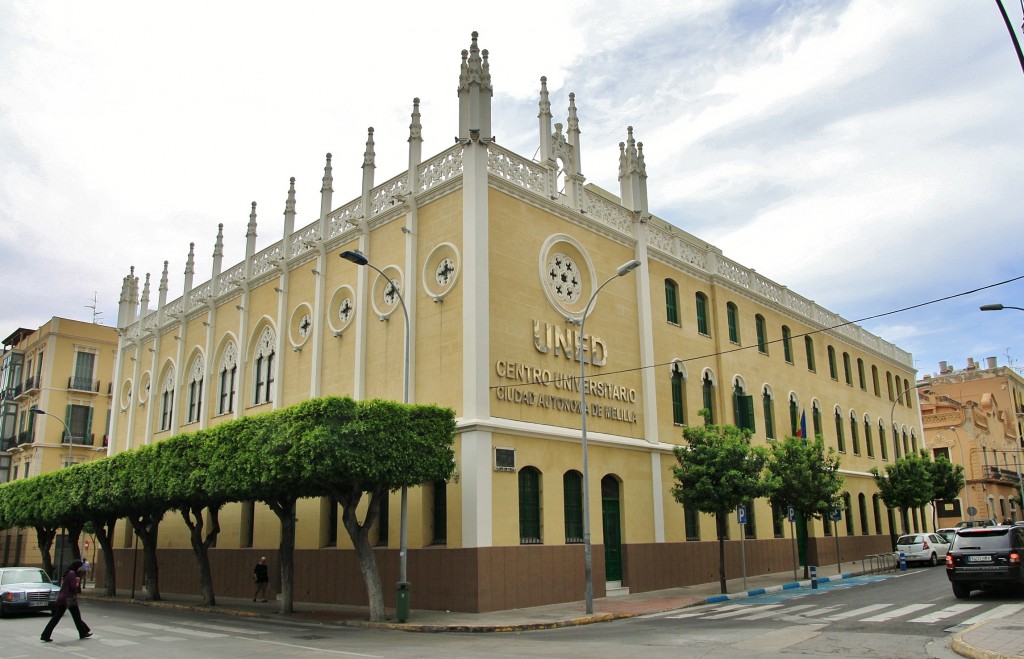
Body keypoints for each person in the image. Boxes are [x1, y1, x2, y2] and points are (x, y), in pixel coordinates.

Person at [41, 559, 92, 642]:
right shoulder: (72, 574)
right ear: (77, 566)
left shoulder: (67, 573)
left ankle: (45, 635)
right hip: (69, 598)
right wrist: (77, 583)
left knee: (56, 618)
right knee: (76, 616)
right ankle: (83, 632)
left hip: (62, 598)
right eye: (80, 567)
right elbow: (72, 587)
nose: (80, 569)